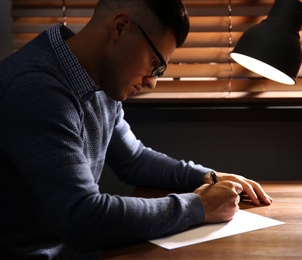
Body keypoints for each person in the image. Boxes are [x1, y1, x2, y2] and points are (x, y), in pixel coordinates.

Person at [0, 0, 273, 259]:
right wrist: (197, 207)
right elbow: (83, 218)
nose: (152, 83)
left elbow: (134, 159)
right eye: (155, 64)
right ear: (120, 28)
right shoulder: (36, 90)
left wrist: (207, 176)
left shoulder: (98, 79)